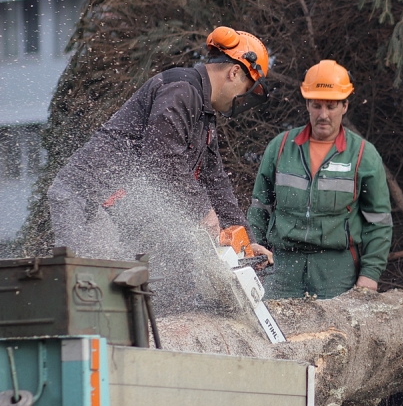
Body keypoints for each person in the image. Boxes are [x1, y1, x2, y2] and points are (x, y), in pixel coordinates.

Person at [47, 27, 272, 311]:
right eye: (246, 88)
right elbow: (163, 158)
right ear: (234, 73)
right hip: (87, 200)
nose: (241, 97)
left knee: (158, 282)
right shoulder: (181, 88)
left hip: (118, 205)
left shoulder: (204, 114)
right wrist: (205, 213)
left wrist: (246, 243)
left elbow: (216, 183)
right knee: (97, 290)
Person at [247, 60, 392, 299]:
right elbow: (259, 208)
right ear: (307, 104)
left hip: (337, 271)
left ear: (345, 106)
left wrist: (370, 275)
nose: (323, 115)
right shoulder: (280, 147)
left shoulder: (363, 155)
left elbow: (379, 222)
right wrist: (254, 249)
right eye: (316, 105)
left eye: (331, 106)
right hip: (281, 268)